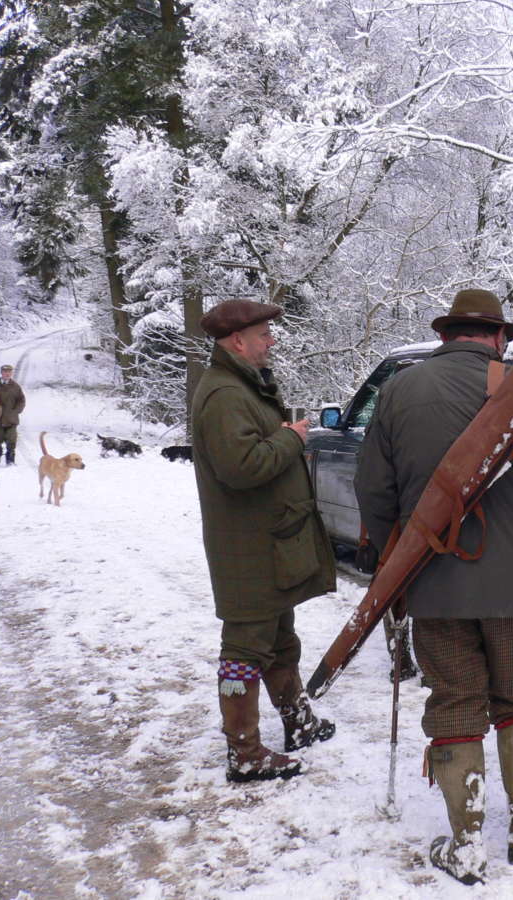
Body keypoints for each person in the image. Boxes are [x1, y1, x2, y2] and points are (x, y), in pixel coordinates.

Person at [354, 288, 513, 885]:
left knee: (455, 704)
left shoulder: (400, 389)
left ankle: (465, 844)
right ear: (498, 337)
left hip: (433, 584)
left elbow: (374, 491)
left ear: (446, 334)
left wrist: (397, 556)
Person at [191, 299, 338, 784]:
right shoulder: (224, 394)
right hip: (247, 549)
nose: (271, 341)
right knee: (243, 650)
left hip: (268, 544)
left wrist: (279, 435)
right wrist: (292, 439)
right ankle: (245, 752)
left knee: (279, 639)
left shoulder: (240, 387)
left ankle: (298, 723)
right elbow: (241, 467)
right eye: (264, 335)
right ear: (238, 341)